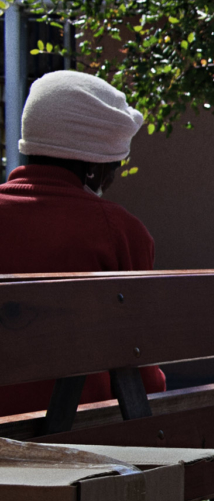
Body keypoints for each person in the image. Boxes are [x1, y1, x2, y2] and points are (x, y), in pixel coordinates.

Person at [0, 69, 164, 418]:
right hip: (83, 435)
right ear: (91, 168)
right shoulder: (120, 231)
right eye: (113, 167)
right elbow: (143, 373)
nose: (113, 178)